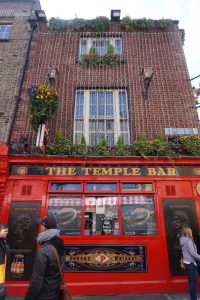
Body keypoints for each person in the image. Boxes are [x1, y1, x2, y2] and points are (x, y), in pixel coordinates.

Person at [23, 216, 65, 300]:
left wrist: (29, 297)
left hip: (43, 294)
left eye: (41, 225)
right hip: (55, 291)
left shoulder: (44, 250)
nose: (40, 227)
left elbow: (37, 279)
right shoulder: (60, 245)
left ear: (45, 228)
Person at [180, 227, 200, 300]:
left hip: (187, 263)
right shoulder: (188, 241)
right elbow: (193, 253)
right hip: (191, 263)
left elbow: (183, 252)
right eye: (190, 232)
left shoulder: (182, 240)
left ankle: (193, 298)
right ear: (189, 232)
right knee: (193, 283)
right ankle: (193, 298)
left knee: (191, 282)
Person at [0, 223, 9, 300]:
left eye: (7, 231)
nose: (6, 233)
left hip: (2, 273)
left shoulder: (3, 242)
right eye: (5, 231)